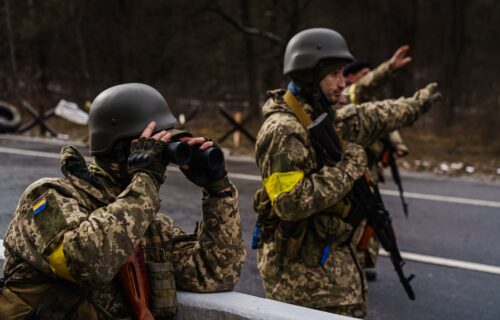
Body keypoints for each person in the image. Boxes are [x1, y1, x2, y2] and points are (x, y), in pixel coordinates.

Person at [0, 83, 246, 319]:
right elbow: (85, 263)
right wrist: (145, 180)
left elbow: (215, 273)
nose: (161, 155)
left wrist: (218, 191)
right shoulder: (48, 197)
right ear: (122, 148)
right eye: (154, 144)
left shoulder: (148, 225)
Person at [253, 28, 440, 318]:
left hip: (332, 275)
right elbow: (289, 202)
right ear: (310, 74)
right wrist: (351, 166)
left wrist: (418, 103)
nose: (344, 82)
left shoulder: (327, 117)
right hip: (303, 286)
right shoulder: (283, 130)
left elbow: (379, 113)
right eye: (335, 74)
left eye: (343, 74)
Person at [343, 47, 413, 281]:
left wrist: (397, 144)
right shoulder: (350, 94)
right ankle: (350, 261)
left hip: (370, 167)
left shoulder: (368, 100)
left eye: (368, 72)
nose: (367, 76)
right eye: (363, 73)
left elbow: (387, 124)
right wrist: (389, 68)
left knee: (373, 219)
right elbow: (366, 86)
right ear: (351, 77)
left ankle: (362, 263)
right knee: (357, 218)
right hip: (353, 167)